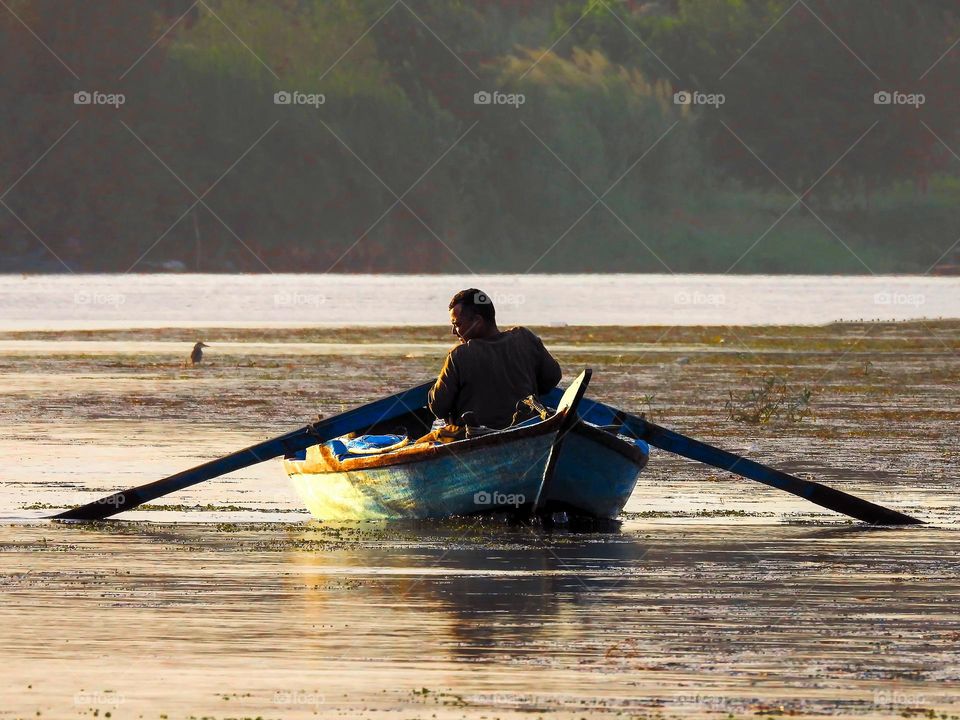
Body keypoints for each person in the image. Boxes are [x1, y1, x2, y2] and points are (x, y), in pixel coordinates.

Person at [428, 288, 562, 431]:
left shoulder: (458, 355)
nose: (454, 331)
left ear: (478, 321)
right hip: (529, 428)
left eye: (457, 324)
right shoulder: (525, 337)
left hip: (476, 436)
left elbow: (438, 407)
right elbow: (552, 377)